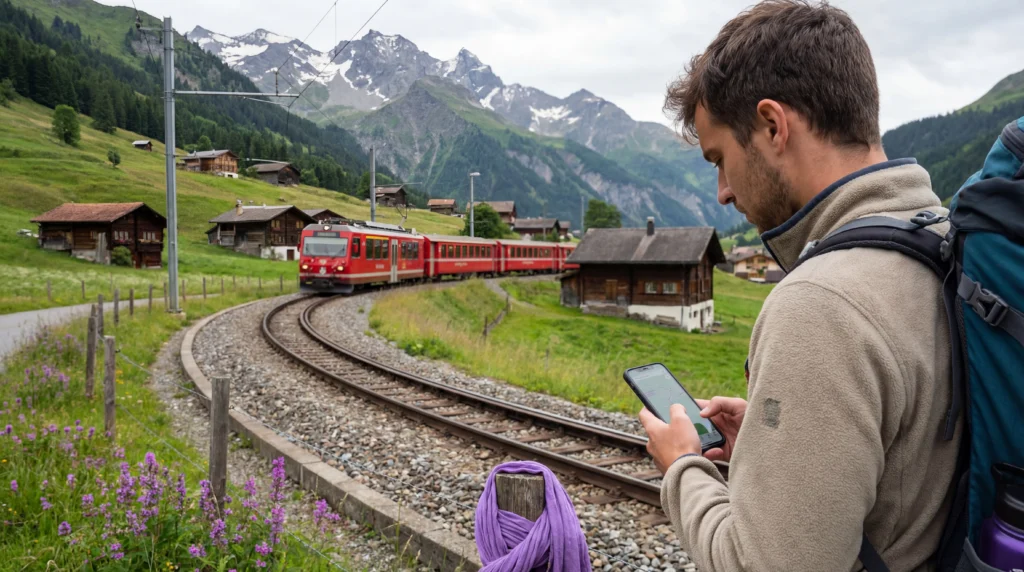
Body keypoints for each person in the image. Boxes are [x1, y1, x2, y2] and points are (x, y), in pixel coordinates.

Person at [638, 1, 960, 571]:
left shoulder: (823, 304)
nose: (722, 192)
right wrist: (781, 446)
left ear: (772, 125)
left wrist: (685, 468)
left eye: (720, 158)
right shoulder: (937, 241)